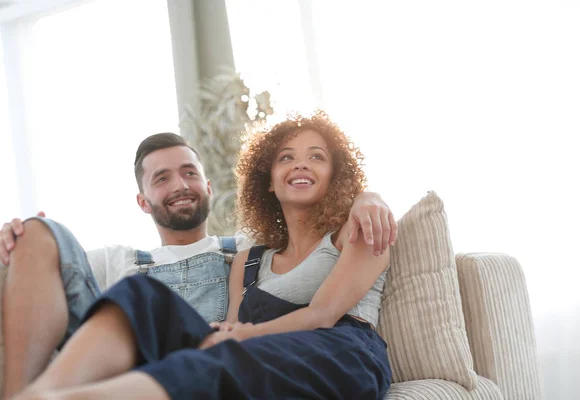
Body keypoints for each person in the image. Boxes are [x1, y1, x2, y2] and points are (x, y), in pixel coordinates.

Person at [13, 111, 392, 399]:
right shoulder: (250, 258)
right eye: (286, 158)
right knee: (139, 295)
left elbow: (322, 315)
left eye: (317, 157)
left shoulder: (358, 227)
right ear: (269, 181)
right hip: (263, 350)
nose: (301, 164)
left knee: (212, 362)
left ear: (336, 174)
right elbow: (230, 326)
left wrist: (368, 196)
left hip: (341, 350)